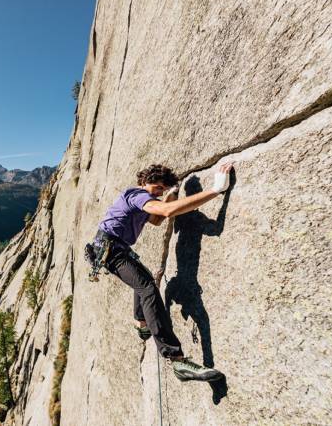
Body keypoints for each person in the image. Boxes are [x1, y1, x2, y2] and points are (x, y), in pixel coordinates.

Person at [87, 163, 233, 382]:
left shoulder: (145, 200)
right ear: (145, 182)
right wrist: (215, 190)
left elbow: (156, 220)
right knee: (147, 288)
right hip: (111, 249)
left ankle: (141, 322)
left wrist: (172, 196)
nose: (158, 193)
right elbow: (164, 212)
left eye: (162, 190)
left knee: (144, 281)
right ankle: (176, 359)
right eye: (157, 188)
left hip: (113, 249)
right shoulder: (137, 194)